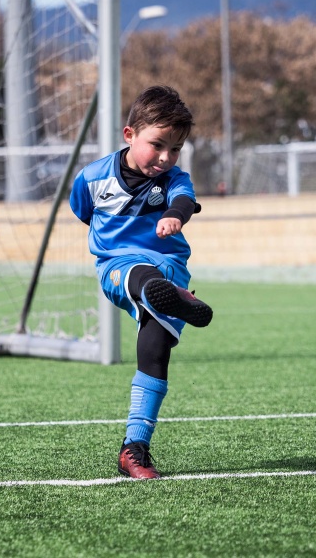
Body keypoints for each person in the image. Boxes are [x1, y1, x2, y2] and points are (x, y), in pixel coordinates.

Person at [69, 85, 213, 480]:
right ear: (129, 134)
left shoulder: (173, 179)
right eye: (158, 145)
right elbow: (84, 211)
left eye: (176, 149)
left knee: (154, 351)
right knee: (139, 275)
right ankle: (162, 294)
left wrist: (175, 217)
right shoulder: (92, 178)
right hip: (117, 266)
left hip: (170, 265)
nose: (166, 157)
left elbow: (183, 201)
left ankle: (134, 448)